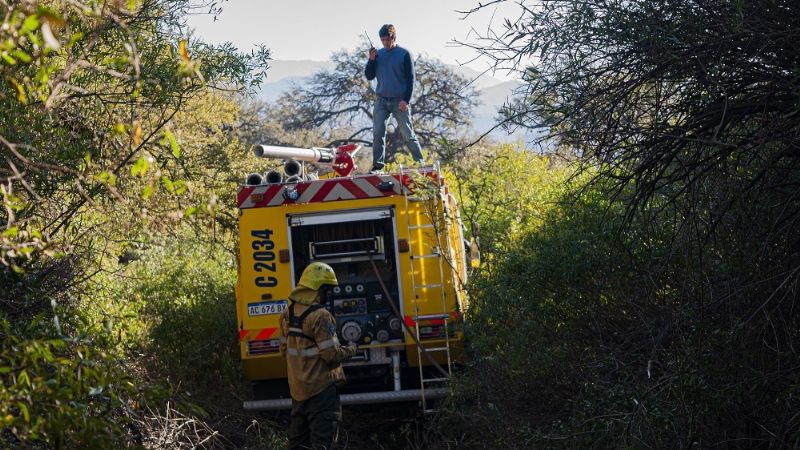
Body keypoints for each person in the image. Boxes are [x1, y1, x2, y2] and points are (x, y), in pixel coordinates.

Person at [279, 262, 358, 450]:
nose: (327, 295)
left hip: (297, 390)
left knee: (297, 443)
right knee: (323, 443)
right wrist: (352, 349)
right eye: (327, 290)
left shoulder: (286, 314)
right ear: (318, 289)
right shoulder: (321, 316)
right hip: (321, 390)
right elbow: (330, 355)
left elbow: (283, 351)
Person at [365, 24, 425, 173]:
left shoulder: (404, 54)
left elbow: (411, 79)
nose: (385, 42)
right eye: (382, 39)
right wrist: (371, 60)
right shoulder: (378, 54)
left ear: (393, 37)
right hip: (381, 100)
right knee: (378, 133)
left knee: (407, 133)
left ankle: (420, 163)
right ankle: (378, 166)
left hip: (399, 101)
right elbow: (369, 76)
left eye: (387, 39)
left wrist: (406, 100)